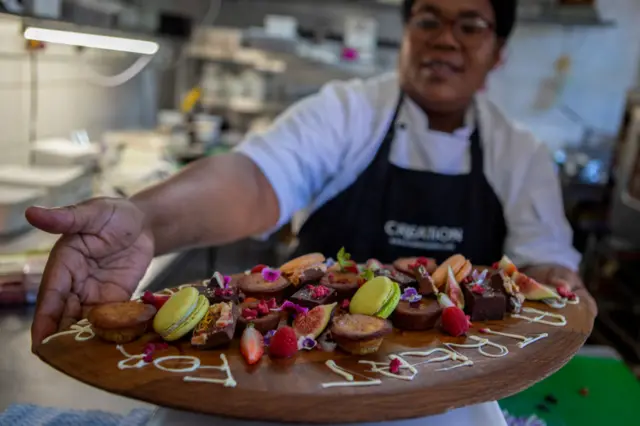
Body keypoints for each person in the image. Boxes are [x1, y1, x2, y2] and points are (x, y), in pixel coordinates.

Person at [26, 2, 595, 423]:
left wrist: (556, 281)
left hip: (437, 405)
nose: (444, 39)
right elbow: (254, 180)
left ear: (498, 51)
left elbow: (543, 264)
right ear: (406, 34)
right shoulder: (348, 111)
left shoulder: (518, 152)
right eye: (427, 20)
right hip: (284, 385)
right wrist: (146, 218)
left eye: (470, 25)